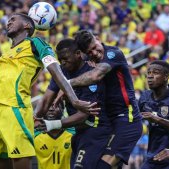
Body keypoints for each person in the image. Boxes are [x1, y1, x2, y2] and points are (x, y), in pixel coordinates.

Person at [0, 13, 97, 169]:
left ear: (27, 26)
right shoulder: (3, 57)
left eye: (13, 19)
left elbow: (56, 71)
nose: (8, 22)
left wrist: (74, 99)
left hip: (15, 111)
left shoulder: (35, 43)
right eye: (8, 20)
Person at [69, 30, 143, 168]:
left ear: (97, 39)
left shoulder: (113, 54)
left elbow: (95, 76)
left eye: (95, 48)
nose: (95, 53)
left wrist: (66, 84)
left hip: (128, 118)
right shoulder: (87, 62)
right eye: (89, 52)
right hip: (108, 122)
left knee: (102, 166)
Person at [36, 38, 112, 169]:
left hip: (97, 132)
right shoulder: (61, 71)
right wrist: (35, 118)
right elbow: (46, 99)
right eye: (60, 60)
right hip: (80, 133)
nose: (63, 63)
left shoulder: (90, 73)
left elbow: (84, 114)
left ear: (78, 54)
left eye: (65, 58)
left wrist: (51, 124)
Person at [34, 102, 73, 169]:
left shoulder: (74, 133)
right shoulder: (34, 134)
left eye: (55, 105)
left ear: (62, 109)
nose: (51, 109)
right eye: (48, 105)